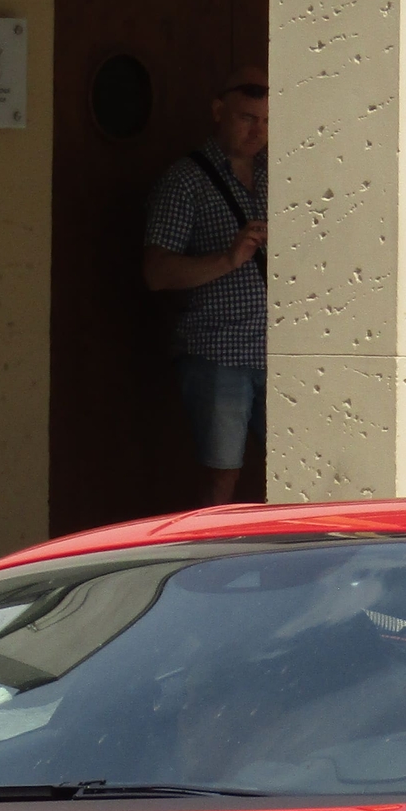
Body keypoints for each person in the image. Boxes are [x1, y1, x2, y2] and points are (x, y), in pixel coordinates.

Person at [142, 68, 268, 506]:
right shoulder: (186, 180)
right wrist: (229, 259)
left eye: (267, 121)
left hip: (283, 354)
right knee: (222, 478)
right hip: (219, 352)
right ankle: (214, 567)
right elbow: (156, 273)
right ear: (219, 112)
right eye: (247, 118)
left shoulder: (284, 175)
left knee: (298, 471)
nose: (258, 131)